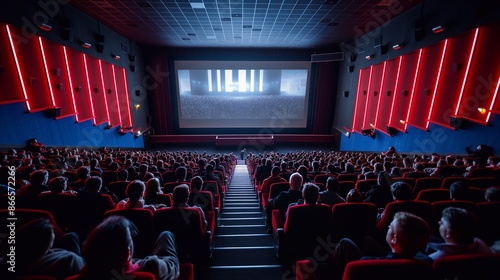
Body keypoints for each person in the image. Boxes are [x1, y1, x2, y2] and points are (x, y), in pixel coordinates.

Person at [329, 211, 432, 280]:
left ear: (394, 239)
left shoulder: (365, 264)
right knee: (368, 239)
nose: (388, 227)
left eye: (390, 227)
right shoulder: (428, 263)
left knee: (344, 242)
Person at [77, 215, 180, 280]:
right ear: (128, 253)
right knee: (166, 235)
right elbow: (171, 267)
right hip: (157, 265)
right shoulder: (151, 266)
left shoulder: (77, 272)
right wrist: (145, 261)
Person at [0, 218, 84, 279]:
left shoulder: (9, 260)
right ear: (43, 246)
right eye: (52, 233)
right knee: (72, 237)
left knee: (71, 236)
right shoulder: (70, 259)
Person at [426, 207, 493, 260]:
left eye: (442, 223)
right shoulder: (481, 244)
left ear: (447, 233)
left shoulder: (434, 259)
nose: (438, 222)